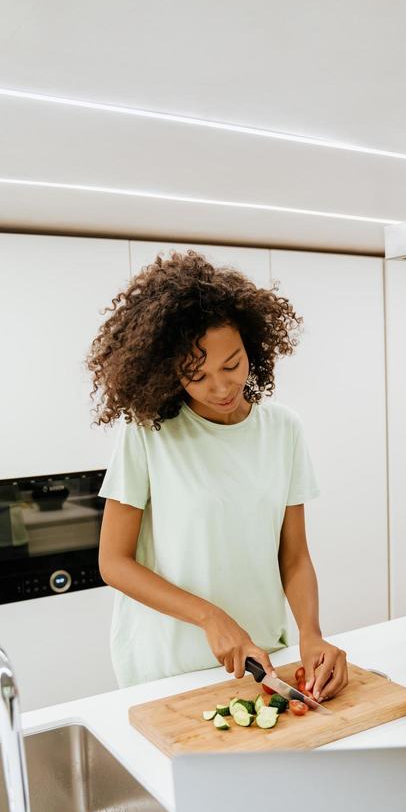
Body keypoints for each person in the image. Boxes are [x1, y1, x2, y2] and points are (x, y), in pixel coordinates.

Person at [86, 249, 348, 701]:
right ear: (168, 372)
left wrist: (311, 634)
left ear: (253, 346)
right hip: (170, 670)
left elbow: (294, 556)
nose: (222, 387)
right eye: (197, 375)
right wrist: (211, 617)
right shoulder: (148, 433)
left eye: (232, 365)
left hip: (262, 660)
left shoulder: (283, 429)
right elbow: (114, 563)